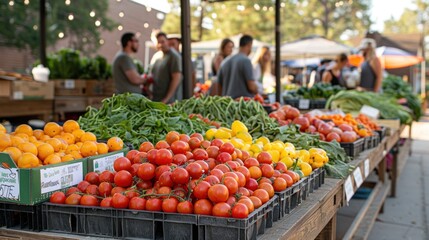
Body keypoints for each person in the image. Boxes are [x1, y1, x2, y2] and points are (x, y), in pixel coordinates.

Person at [217, 35, 258, 99]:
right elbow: (251, 87)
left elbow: (218, 85)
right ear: (249, 45)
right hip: (242, 104)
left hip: (226, 104)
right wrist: (257, 90)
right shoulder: (246, 60)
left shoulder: (225, 61)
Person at [151, 32, 182, 103]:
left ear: (167, 41)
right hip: (156, 98)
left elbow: (176, 79)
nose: (161, 44)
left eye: (163, 41)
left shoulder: (174, 56)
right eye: (158, 42)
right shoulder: (157, 56)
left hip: (170, 101)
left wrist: (166, 99)